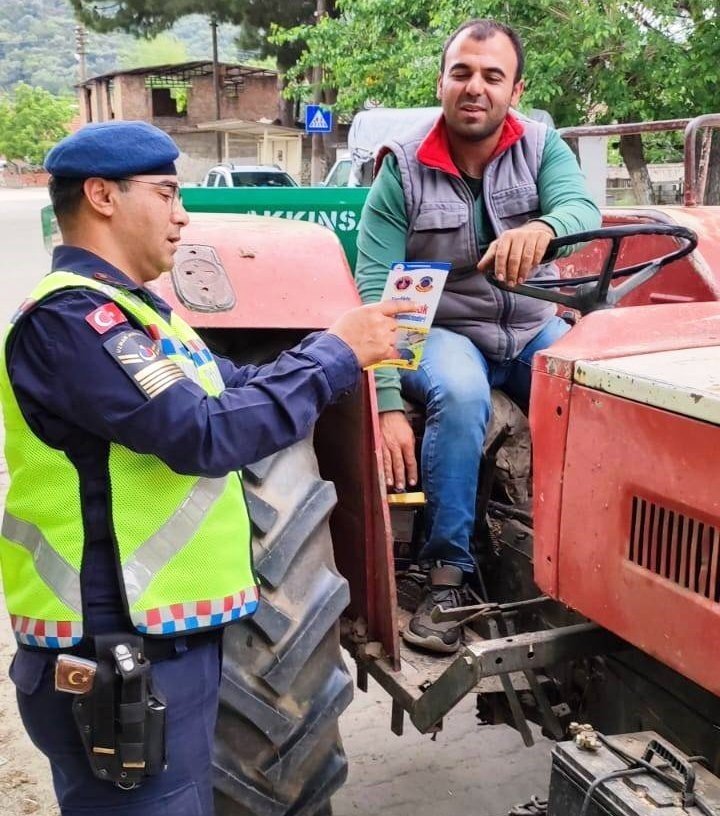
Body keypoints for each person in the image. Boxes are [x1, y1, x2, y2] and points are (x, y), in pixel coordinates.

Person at [0, 120, 410, 815]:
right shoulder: (73, 321)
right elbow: (203, 434)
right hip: (115, 660)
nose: (183, 214)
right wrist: (335, 353)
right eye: (165, 193)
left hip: (163, 655)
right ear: (102, 195)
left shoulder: (144, 319)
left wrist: (336, 352)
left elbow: (238, 396)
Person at [355, 18, 602, 654]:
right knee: (461, 394)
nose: (475, 87)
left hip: (529, 324)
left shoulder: (544, 147)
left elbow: (583, 210)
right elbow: (376, 291)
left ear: (514, 90)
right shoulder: (401, 173)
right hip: (442, 328)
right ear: (442, 83)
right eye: (461, 72)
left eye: (492, 76)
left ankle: (587, 558)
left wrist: (544, 228)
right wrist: (384, 405)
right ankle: (445, 574)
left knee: (601, 384)